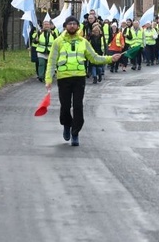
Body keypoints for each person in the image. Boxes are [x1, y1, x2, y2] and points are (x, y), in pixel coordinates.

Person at [45, 16, 122, 146]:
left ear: (78, 27)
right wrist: (48, 79)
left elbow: (94, 58)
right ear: (65, 26)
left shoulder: (83, 42)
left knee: (78, 106)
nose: (72, 26)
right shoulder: (58, 42)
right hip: (63, 78)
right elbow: (51, 61)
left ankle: (75, 133)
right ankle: (66, 125)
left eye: (75, 24)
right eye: (69, 24)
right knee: (65, 106)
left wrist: (110, 59)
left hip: (79, 78)